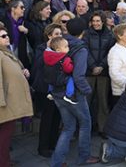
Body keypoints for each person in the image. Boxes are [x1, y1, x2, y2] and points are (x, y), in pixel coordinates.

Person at [51, 18, 99, 166]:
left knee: (68, 127)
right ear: (83, 32)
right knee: (85, 123)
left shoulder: (58, 43)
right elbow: (78, 76)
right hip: (73, 93)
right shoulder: (80, 49)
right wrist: (87, 90)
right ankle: (84, 157)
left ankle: (57, 162)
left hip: (57, 91)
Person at [0, 25, 33, 167]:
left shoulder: (7, 52)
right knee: (5, 135)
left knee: (7, 134)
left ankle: (5, 160)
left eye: (6, 35)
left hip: (11, 100)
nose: (7, 37)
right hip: (5, 102)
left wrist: (22, 71)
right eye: (2, 36)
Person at [31, 23, 63, 158]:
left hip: (58, 87)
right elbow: (38, 64)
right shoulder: (41, 48)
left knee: (57, 117)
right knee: (47, 118)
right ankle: (43, 147)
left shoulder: (63, 48)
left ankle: (53, 144)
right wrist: (49, 49)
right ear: (49, 35)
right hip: (46, 88)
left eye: (60, 34)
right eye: (56, 34)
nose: (59, 37)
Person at [83, 11, 115, 135]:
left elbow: (110, 53)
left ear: (102, 22)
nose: (96, 23)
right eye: (94, 21)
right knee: (87, 100)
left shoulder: (109, 35)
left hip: (103, 72)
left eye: (98, 21)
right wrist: (93, 66)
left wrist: (101, 66)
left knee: (103, 101)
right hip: (89, 72)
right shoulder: (86, 34)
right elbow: (85, 50)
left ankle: (103, 128)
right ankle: (86, 128)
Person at [43, 36, 77, 104]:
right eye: (66, 47)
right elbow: (68, 69)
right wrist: (72, 65)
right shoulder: (65, 58)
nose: (68, 48)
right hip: (60, 78)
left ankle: (50, 92)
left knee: (50, 82)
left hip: (49, 78)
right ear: (58, 50)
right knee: (70, 79)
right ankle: (69, 95)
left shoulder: (47, 55)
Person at [0, 0, 30, 68]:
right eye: (21, 7)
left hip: (21, 56)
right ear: (13, 9)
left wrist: (26, 31)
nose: (24, 9)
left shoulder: (25, 22)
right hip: (7, 55)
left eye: (24, 7)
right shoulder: (3, 22)